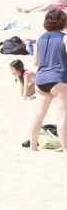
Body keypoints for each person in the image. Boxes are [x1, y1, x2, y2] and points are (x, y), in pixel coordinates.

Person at [28, 8, 67, 150]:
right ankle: (65, 148)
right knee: (62, 115)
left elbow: (35, 62)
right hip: (59, 79)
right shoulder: (64, 37)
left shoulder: (40, 38)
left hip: (41, 79)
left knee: (38, 115)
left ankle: (33, 146)